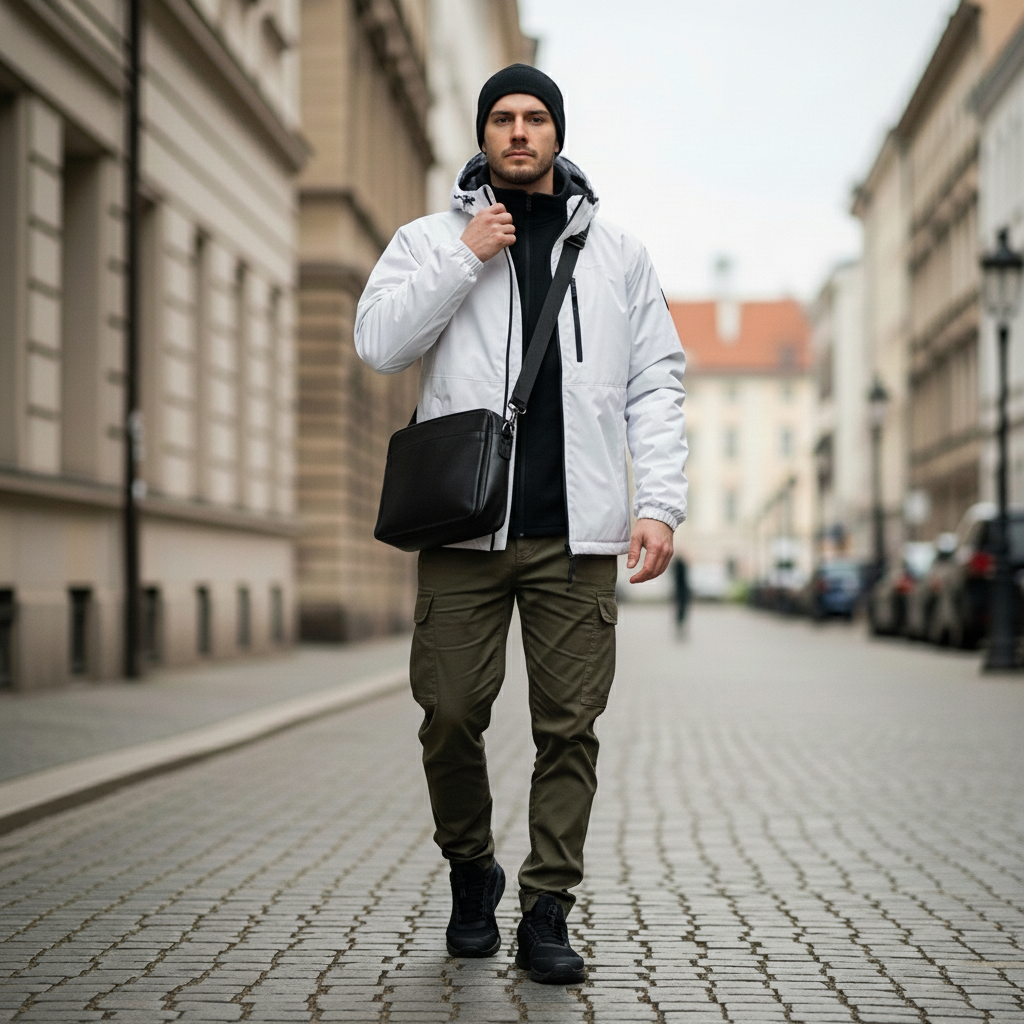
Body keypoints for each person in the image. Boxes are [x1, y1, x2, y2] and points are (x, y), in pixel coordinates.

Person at [355, 64, 687, 985]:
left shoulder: (617, 254)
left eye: (534, 117)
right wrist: (468, 254)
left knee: (568, 727)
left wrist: (657, 504)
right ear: (484, 134)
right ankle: (472, 870)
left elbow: (654, 383)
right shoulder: (431, 239)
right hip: (465, 530)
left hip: (577, 538)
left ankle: (546, 906)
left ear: (557, 134)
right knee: (450, 713)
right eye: (502, 118)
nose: (518, 131)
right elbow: (380, 344)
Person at [673, 556, 691, 637]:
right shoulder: (681, 570)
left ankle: (679, 625)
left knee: (680, 609)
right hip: (682, 592)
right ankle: (680, 625)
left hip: (679, 592)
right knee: (681, 609)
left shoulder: (676, 570)